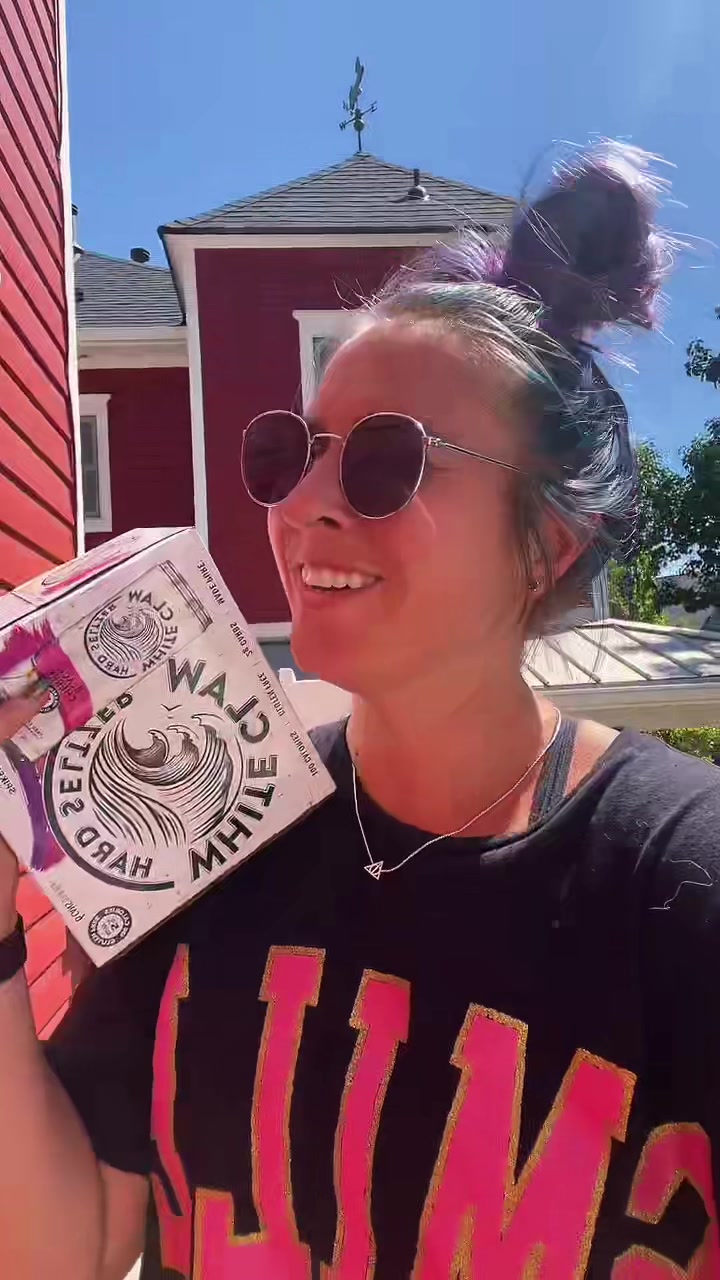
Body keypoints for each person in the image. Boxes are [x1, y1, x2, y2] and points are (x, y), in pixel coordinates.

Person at [1, 141, 719, 1280]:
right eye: (289, 451)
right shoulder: (209, 830)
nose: (304, 505)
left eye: (388, 460)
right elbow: (68, 1249)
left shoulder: (682, 883)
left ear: (548, 545)